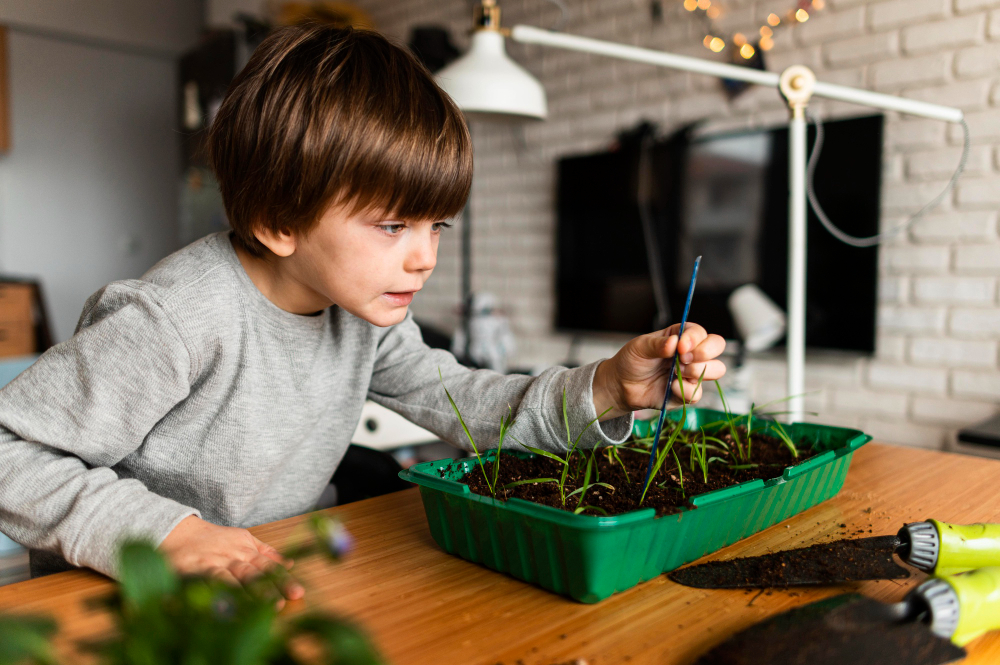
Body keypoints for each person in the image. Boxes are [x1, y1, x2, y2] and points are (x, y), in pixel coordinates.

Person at [0, 24, 725, 605]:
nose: (424, 259)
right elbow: (12, 454)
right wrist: (170, 535)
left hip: (268, 577)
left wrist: (606, 385)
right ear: (279, 217)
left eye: (436, 226)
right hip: (125, 599)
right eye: (392, 227)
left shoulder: (364, 316)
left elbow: (470, 402)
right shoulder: (175, 316)